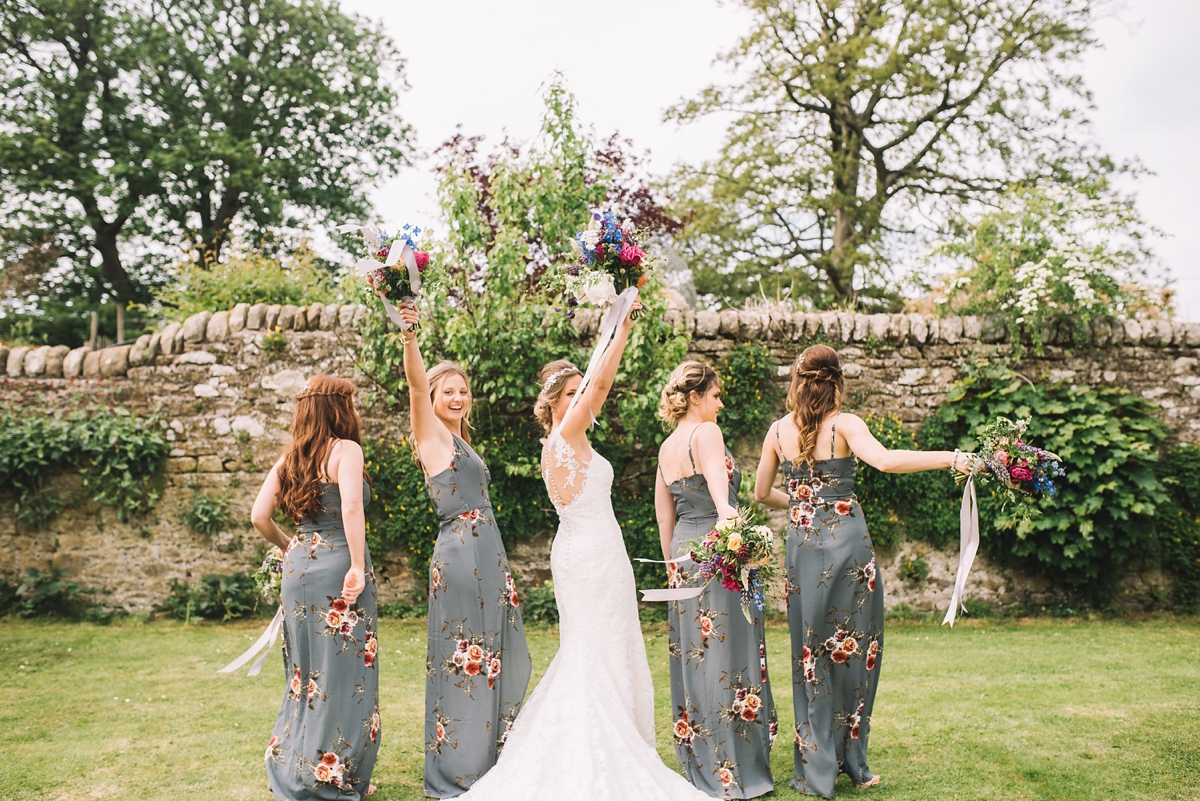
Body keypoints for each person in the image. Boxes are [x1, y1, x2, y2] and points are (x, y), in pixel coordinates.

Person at [454, 299, 709, 801]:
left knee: (610, 647)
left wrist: (624, 328)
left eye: (579, 393)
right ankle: (590, 751)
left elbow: (601, 388)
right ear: (551, 404)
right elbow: (600, 385)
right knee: (589, 651)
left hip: (603, 553)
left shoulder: (577, 438)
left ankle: (622, 737)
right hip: (586, 556)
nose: (581, 400)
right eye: (570, 394)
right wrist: (615, 335)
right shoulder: (560, 441)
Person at [754, 344, 976, 798]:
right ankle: (852, 759)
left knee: (809, 653)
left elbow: (760, 493)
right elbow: (887, 461)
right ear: (837, 380)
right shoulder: (845, 423)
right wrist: (952, 457)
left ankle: (814, 764)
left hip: (802, 550)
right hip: (849, 551)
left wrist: (801, 504)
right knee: (857, 650)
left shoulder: (777, 431)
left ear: (798, 381)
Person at [396, 304, 532, 798]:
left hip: (485, 553)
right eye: (446, 391)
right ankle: (462, 766)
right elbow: (414, 387)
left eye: (462, 390)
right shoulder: (430, 434)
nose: (457, 397)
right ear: (432, 398)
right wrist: (410, 335)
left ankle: (487, 754)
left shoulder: (460, 438)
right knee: (466, 658)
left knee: (490, 654)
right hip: (461, 555)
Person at [250, 375, 380, 801]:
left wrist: (292, 546)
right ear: (339, 408)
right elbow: (351, 506)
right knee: (344, 674)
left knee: (305, 673)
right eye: (351, 404)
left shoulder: (289, 458)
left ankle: (299, 765)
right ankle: (332, 774)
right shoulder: (347, 450)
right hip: (339, 567)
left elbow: (259, 516)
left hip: (300, 569)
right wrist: (357, 566)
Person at [654, 361, 777, 798]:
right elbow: (719, 491)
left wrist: (673, 564)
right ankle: (733, 767)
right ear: (695, 397)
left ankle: (703, 760)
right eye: (716, 395)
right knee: (730, 654)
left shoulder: (668, 446)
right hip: (717, 552)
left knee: (696, 656)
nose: (720, 403)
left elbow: (664, 514)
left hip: (684, 556)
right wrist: (732, 524)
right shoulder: (706, 433)